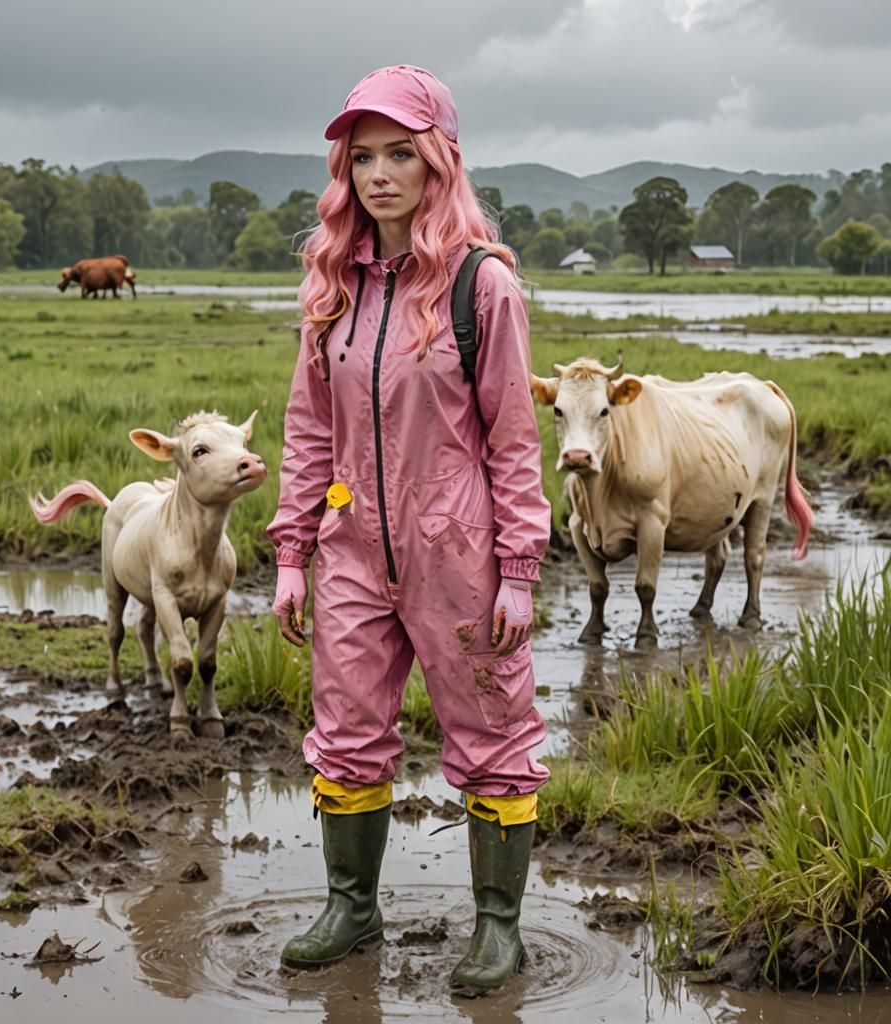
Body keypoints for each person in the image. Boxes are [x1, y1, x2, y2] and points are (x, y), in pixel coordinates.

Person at [267, 64, 551, 994]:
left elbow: (514, 440)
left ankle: (497, 930)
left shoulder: (482, 286)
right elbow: (309, 432)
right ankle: (351, 909)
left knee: (495, 730)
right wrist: (293, 553)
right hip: (351, 547)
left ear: (438, 162)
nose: (378, 175)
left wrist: (518, 567)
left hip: (459, 549)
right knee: (346, 728)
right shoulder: (332, 286)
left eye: (399, 154)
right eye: (362, 158)